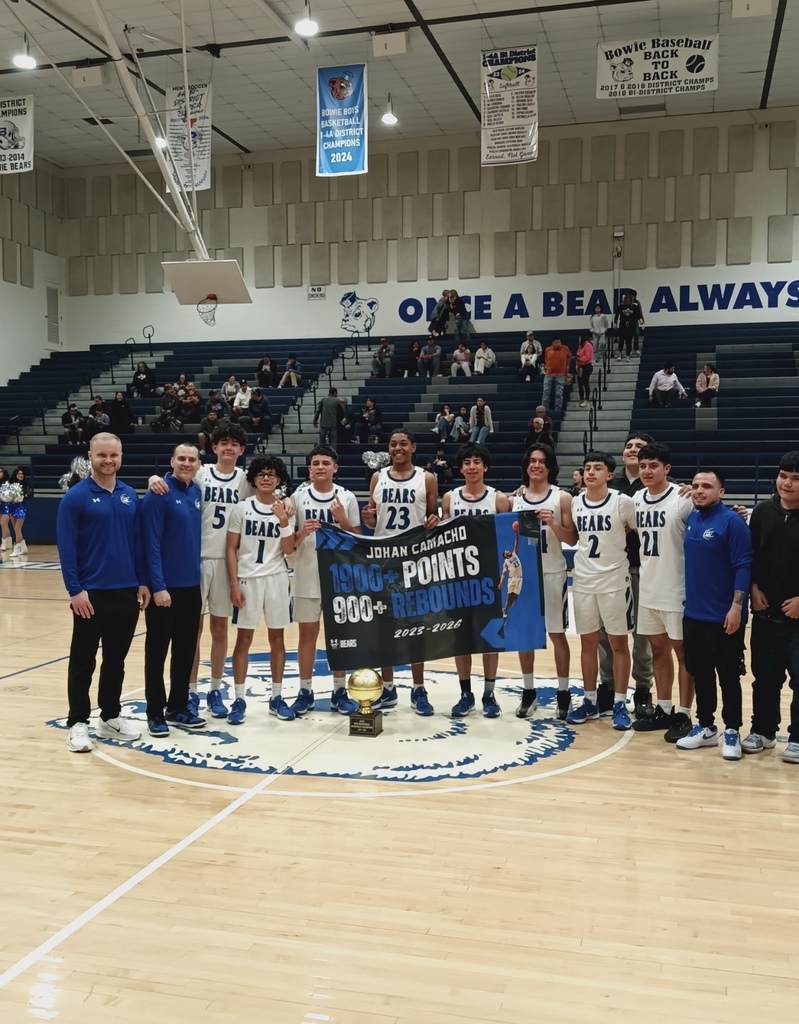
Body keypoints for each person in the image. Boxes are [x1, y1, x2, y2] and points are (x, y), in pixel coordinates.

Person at [56, 433, 150, 753]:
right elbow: (66, 548)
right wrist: (75, 590)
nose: (108, 460)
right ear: (90, 456)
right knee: (84, 659)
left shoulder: (128, 495)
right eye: (102, 455)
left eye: (114, 455)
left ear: (121, 456)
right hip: (90, 594)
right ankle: (78, 722)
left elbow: (136, 543)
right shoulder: (76, 496)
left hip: (125, 591)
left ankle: (109, 715)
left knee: (116, 660)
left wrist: (141, 581)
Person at [362, 429, 439, 715]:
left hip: (416, 561)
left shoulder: (427, 478)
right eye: (393, 444)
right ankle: (389, 688)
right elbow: (373, 521)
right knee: (386, 628)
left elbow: (434, 517)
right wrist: (368, 518)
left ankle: (419, 688)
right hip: (384, 560)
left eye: (403, 443)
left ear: (413, 447)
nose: (397, 448)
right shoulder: (377, 477)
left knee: (416, 627)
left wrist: (435, 518)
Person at [676, 470, 752, 761]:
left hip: (724, 616)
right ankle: (706, 727)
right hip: (694, 614)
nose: (699, 490)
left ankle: (732, 729)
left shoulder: (732, 522)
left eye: (707, 486)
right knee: (701, 674)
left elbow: (744, 565)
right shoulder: (693, 519)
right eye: (695, 486)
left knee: (729, 677)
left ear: (721, 492)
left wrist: (736, 608)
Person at [567, 451, 636, 731]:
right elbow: (575, 537)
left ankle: (619, 702)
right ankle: (590, 700)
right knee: (588, 644)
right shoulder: (575, 503)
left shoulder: (622, 502)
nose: (591, 472)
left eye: (597, 468)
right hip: (583, 581)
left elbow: (637, 530)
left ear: (610, 474)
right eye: (587, 468)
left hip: (615, 582)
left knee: (619, 644)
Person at [631, 444, 696, 742]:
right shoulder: (636, 499)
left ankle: (684, 713)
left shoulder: (683, 500)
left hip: (677, 591)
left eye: (653, 465)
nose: (647, 470)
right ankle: (665, 707)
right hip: (649, 589)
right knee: (658, 651)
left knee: (684, 655)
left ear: (667, 469)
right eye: (643, 465)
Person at [291, 445, 361, 716]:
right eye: (315, 463)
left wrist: (342, 519)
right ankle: (305, 691)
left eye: (325, 463)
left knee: (340, 637)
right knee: (307, 635)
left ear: (335, 468)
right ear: (309, 469)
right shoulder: (297, 497)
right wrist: (300, 533)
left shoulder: (346, 497)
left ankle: (339, 690)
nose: (320, 467)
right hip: (306, 574)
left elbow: (357, 538)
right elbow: (289, 540)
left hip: (339, 578)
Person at [442, 443, 511, 717]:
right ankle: (465, 693)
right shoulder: (450, 498)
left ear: (485, 467)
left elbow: (506, 540)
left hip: (488, 578)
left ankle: (489, 694)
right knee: (462, 638)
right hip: (458, 577)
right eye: (467, 462)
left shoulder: (498, 499)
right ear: (461, 468)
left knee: (490, 637)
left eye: (476, 462)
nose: (472, 466)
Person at [141, 443, 205, 736]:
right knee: (157, 653)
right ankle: (155, 712)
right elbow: (150, 544)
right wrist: (158, 587)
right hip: (164, 590)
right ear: (172, 461)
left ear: (198, 464)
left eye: (192, 459)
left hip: (191, 587)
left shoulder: (196, 492)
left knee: (184, 651)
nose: (186, 463)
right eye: (181, 458)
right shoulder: (158, 494)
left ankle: (177, 707)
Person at [226, 456, 295, 723]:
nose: (266, 478)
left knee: (277, 639)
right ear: (254, 478)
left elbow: (289, 551)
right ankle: (239, 699)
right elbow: (231, 547)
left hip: (277, 578)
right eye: (261, 474)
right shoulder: (242, 508)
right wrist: (233, 582)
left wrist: (283, 521)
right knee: (244, 640)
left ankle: (276, 697)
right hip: (246, 580)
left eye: (271, 474)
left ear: (279, 480)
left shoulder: (286, 509)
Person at [510, 444, 576, 720]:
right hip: (523, 575)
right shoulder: (513, 499)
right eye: (532, 461)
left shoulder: (562, 498)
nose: (536, 465)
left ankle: (563, 693)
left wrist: (553, 524)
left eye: (542, 461)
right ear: (527, 466)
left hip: (552, 572)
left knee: (557, 633)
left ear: (550, 467)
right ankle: (528, 691)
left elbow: (572, 539)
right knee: (525, 635)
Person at [743, 452, 799, 763]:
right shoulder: (763, 512)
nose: (787, 483)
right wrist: (752, 589)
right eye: (783, 475)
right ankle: (763, 731)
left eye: (795, 478)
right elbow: (752, 558)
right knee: (764, 677)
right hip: (764, 614)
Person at [597, 434, 654, 717]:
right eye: (629, 446)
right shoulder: (608, 486)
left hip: (643, 568)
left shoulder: (656, 487)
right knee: (607, 634)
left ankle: (643, 688)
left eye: (639, 447)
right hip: (610, 569)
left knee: (643, 633)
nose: (633, 450)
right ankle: (607, 686)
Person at [541, 338, 572, 411]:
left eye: (559, 342)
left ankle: (558, 410)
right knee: (546, 392)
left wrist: (567, 366)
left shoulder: (565, 348)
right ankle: (544, 410)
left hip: (560, 374)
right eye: (556, 342)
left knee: (559, 393)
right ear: (552, 343)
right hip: (549, 374)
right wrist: (546, 366)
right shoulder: (548, 349)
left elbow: (570, 357)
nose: (558, 344)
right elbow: (546, 358)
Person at [8, 467, 31, 556]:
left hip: (20, 508)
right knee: (15, 529)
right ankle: (23, 547)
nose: (21, 475)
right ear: (15, 475)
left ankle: (16, 549)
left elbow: (29, 496)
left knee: (18, 529)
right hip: (12, 507)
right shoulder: (10, 485)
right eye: (19, 473)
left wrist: (22, 497)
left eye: (22, 474)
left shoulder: (25, 485)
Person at [614, 293, 639, 360]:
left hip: (631, 326)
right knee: (621, 340)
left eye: (629, 300)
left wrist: (640, 320)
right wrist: (615, 323)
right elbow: (616, 315)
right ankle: (620, 354)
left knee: (629, 341)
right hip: (622, 325)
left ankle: (628, 355)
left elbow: (638, 315)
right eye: (627, 300)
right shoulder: (621, 307)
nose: (628, 302)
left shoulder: (634, 307)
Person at [575, 336, 594, 408]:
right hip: (580, 367)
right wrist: (577, 366)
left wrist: (580, 359)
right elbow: (578, 355)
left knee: (585, 382)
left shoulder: (588, 345)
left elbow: (588, 356)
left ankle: (587, 399)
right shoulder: (580, 346)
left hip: (587, 366)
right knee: (580, 383)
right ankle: (581, 399)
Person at [0, 466, 11, 552]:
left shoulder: (7, 483)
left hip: (6, 504)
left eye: (0, 472)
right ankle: (8, 543)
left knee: (3, 523)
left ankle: (4, 542)